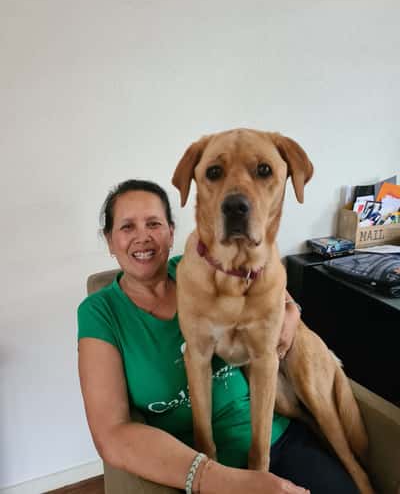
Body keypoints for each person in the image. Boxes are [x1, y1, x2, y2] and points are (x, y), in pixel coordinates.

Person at [77, 179, 359, 494]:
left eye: (154, 224)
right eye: (127, 226)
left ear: (171, 233)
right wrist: (217, 479)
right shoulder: (100, 312)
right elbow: (111, 432)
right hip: (200, 461)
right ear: (110, 240)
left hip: (272, 438)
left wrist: (292, 311)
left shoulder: (200, 268)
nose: (142, 236)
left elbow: (271, 284)